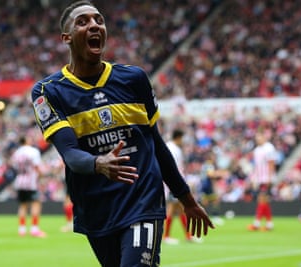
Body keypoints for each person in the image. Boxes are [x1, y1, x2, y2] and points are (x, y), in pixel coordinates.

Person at [30, 1, 214, 266]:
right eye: (83, 22)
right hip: (96, 207)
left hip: (142, 201)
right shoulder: (49, 91)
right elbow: (69, 152)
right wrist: (98, 163)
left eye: (99, 20)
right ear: (66, 38)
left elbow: (157, 145)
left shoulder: (134, 79)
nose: (94, 25)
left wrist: (186, 199)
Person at [163, 129, 201, 244]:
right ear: (178, 137)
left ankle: (187, 235)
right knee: (172, 209)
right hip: (173, 185)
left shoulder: (169, 146)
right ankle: (167, 236)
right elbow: (174, 168)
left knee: (180, 210)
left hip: (171, 184)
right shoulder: (174, 149)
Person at [10, 136, 46, 238]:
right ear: (26, 140)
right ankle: (34, 229)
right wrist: (41, 176)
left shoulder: (16, 153)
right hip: (31, 182)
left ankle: (22, 230)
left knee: (22, 205)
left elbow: (15, 167)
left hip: (20, 181)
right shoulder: (33, 151)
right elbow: (36, 166)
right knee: (36, 204)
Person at [247, 131, 277, 231]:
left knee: (261, 199)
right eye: (256, 137)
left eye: (259, 137)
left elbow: (271, 163)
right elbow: (257, 166)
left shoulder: (269, 148)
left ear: (264, 137)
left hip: (266, 178)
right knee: (264, 202)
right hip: (260, 179)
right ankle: (269, 224)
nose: (257, 139)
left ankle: (256, 223)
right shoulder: (257, 150)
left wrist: (269, 177)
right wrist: (254, 178)